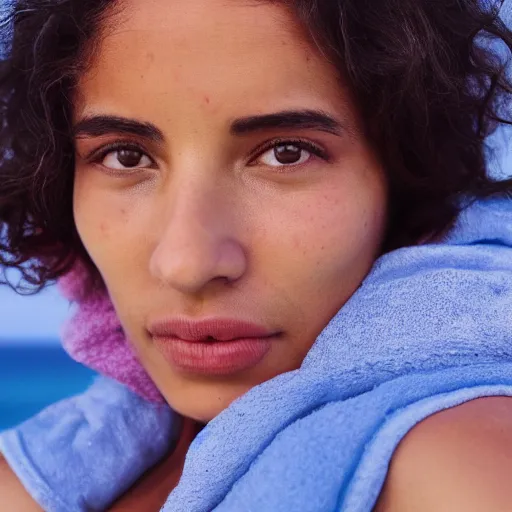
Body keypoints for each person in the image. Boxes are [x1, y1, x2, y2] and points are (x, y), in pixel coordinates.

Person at [0, 0, 512, 510]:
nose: (189, 264)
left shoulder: (457, 466)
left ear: (402, 177)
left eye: (285, 153)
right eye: (126, 156)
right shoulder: (41, 474)